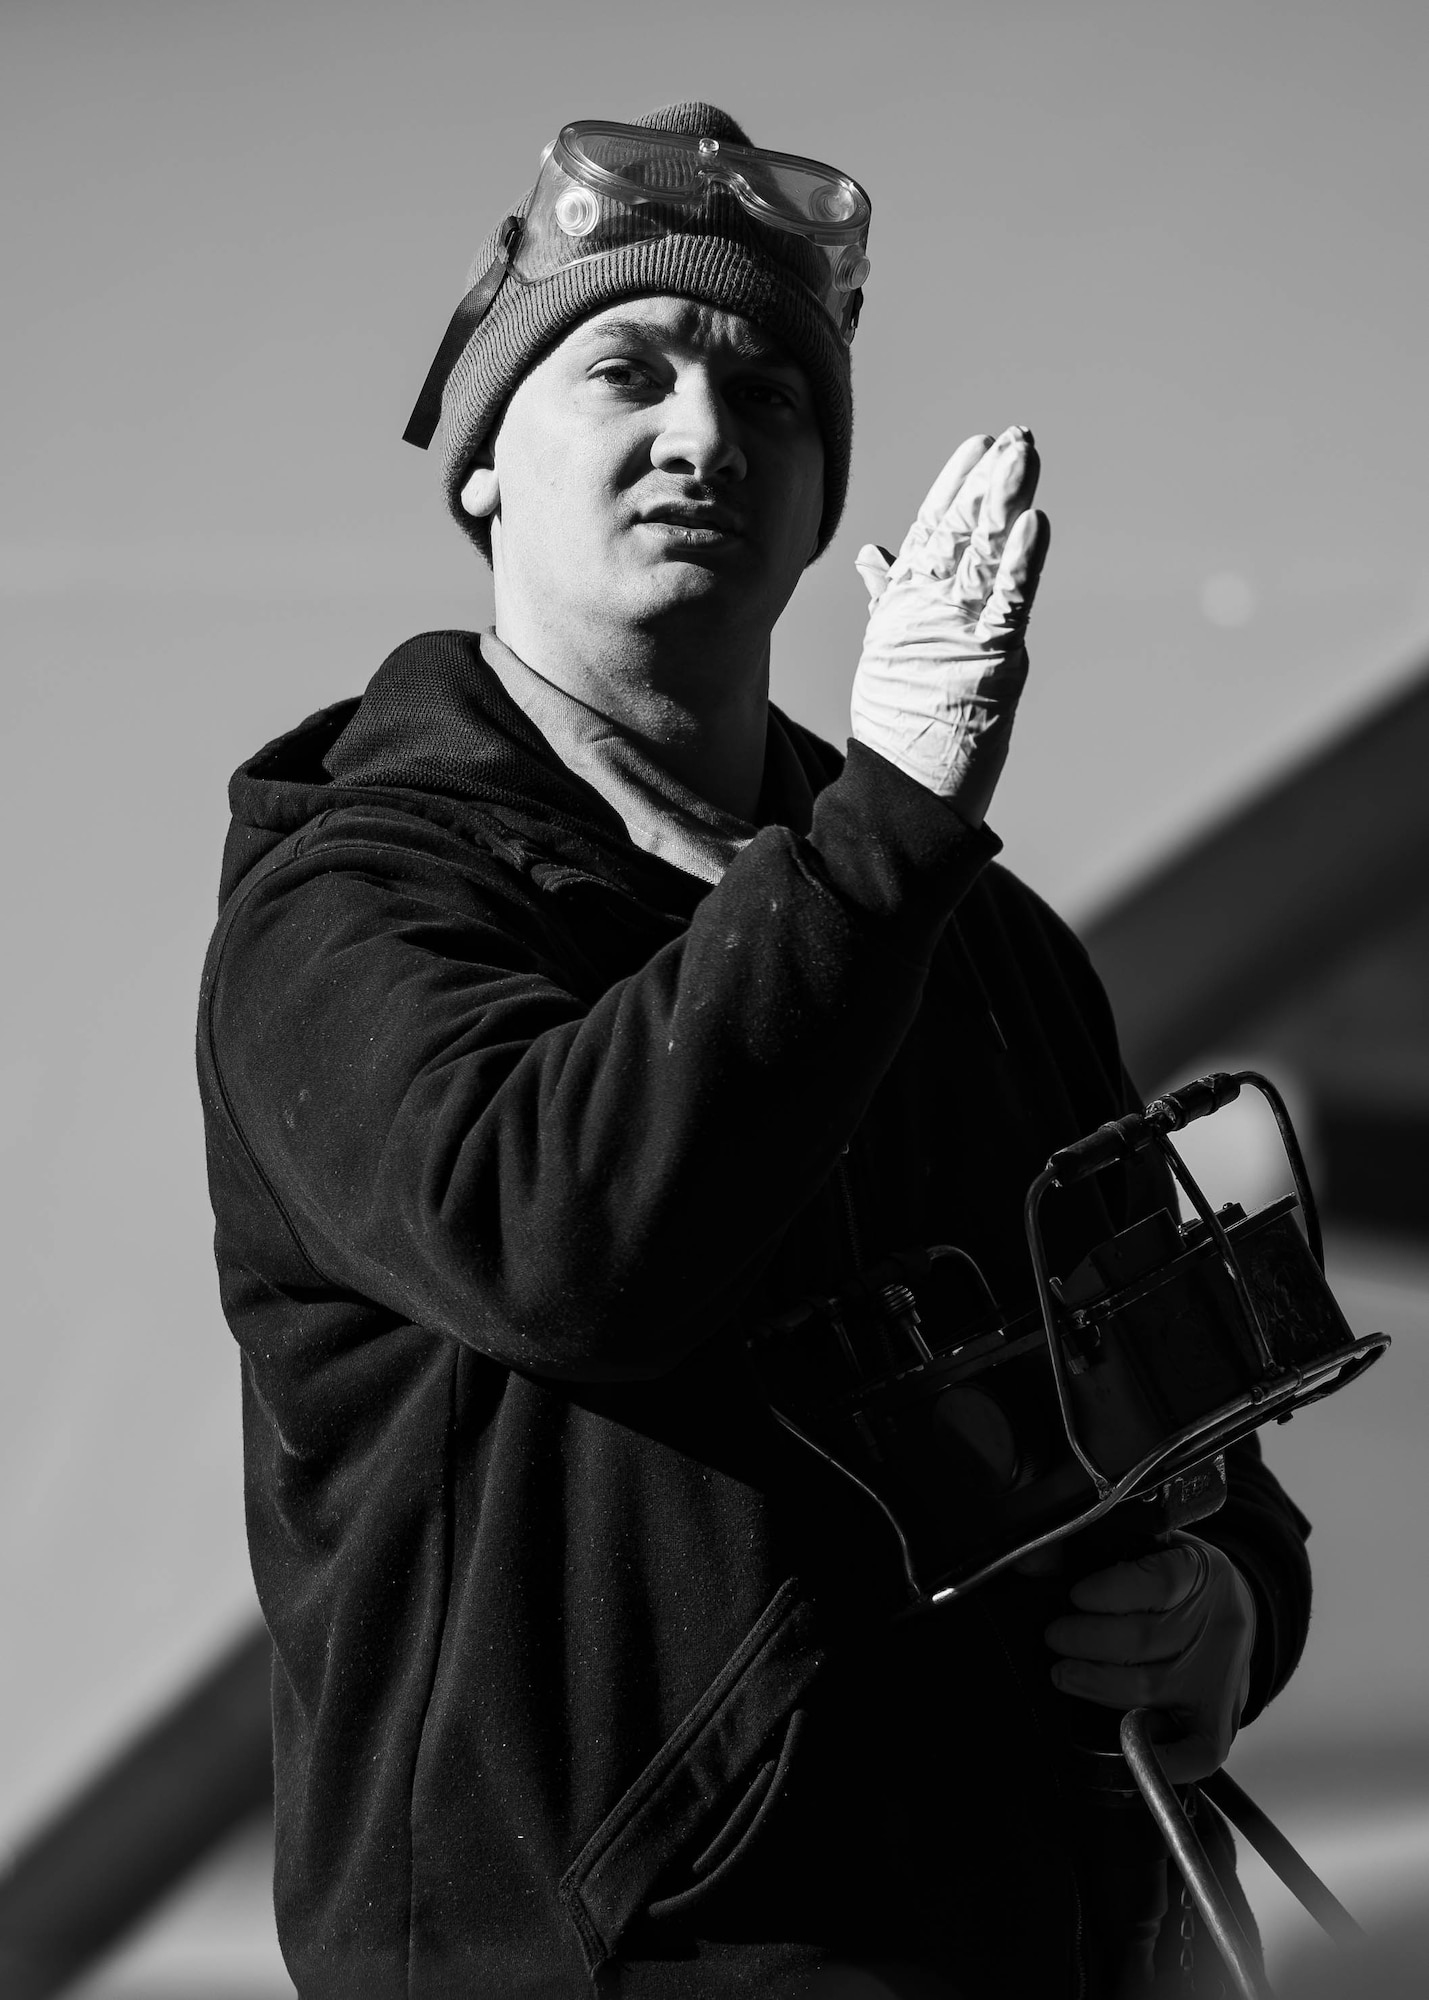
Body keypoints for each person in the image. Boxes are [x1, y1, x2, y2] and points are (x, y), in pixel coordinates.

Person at [197, 103, 1311, 1999]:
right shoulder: (356, 905)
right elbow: (566, 1251)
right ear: (479, 470)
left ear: (820, 503)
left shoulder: (973, 942)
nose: (705, 436)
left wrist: (1226, 1609)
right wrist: (884, 835)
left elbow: (1170, 1421)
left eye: (773, 400)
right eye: (624, 370)